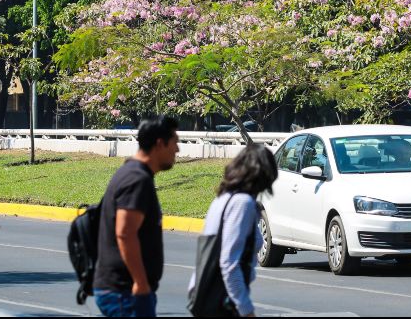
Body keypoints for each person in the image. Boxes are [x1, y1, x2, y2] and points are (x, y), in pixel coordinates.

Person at [94, 116, 179, 317]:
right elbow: (125, 233)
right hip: (125, 292)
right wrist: (140, 283)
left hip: (124, 291)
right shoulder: (137, 179)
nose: (177, 150)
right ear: (160, 143)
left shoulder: (133, 173)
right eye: (175, 142)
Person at [189, 144, 278, 317]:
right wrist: (246, 310)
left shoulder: (223, 199)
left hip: (204, 292)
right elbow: (229, 263)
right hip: (223, 301)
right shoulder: (242, 204)